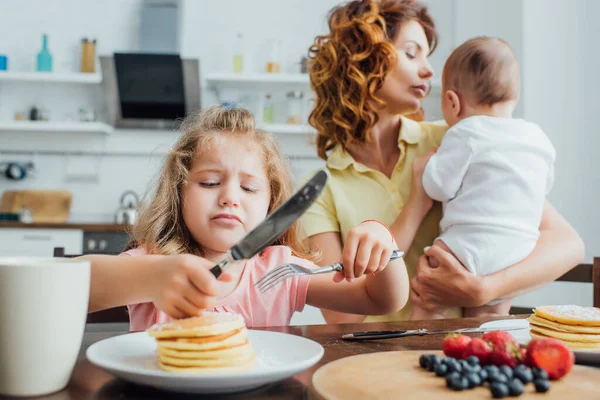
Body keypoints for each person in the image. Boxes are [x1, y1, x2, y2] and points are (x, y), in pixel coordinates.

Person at [301, 0, 584, 324]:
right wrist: (417, 204)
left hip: (460, 355)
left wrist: (481, 289)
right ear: (361, 62)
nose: (429, 70)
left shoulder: (458, 139)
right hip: (373, 365)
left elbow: (567, 244)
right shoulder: (320, 190)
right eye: (411, 53)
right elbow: (341, 317)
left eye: (427, 55)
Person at [84, 105, 409, 330]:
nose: (229, 197)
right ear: (179, 193)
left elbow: (379, 299)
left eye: (249, 188)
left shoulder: (279, 271)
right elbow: (67, 286)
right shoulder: (153, 262)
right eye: (210, 183)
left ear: (271, 204)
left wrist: (384, 244)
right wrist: (149, 278)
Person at [410, 36, 555, 320]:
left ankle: (419, 343)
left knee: (429, 294)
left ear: (452, 102)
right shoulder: (537, 137)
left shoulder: (466, 133)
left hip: (467, 246)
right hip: (518, 251)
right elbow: (543, 187)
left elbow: (439, 186)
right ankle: (488, 348)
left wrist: (426, 168)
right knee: (490, 315)